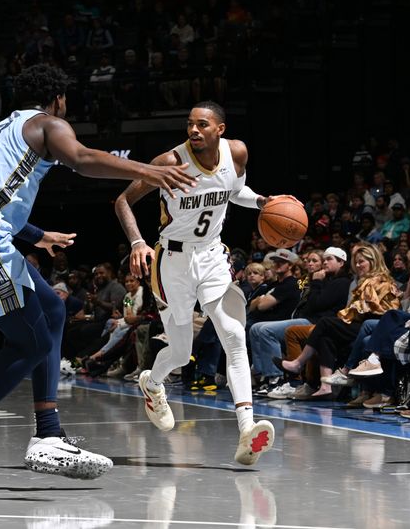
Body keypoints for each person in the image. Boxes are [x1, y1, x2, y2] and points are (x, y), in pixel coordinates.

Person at [0, 64, 196, 487]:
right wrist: (148, 171)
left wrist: (36, 234)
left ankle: (49, 431)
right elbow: (81, 159)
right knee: (31, 342)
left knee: (51, 308)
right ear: (58, 98)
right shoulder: (48, 123)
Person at [114, 100, 286, 465]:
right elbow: (123, 201)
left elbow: (232, 191)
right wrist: (137, 242)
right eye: (190, 124)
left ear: (219, 129)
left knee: (234, 335)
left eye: (202, 125)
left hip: (210, 256)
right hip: (172, 262)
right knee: (179, 351)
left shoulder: (235, 152)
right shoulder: (170, 163)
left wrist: (261, 202)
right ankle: (153, 382)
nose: (194, 130)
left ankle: (246, 430)